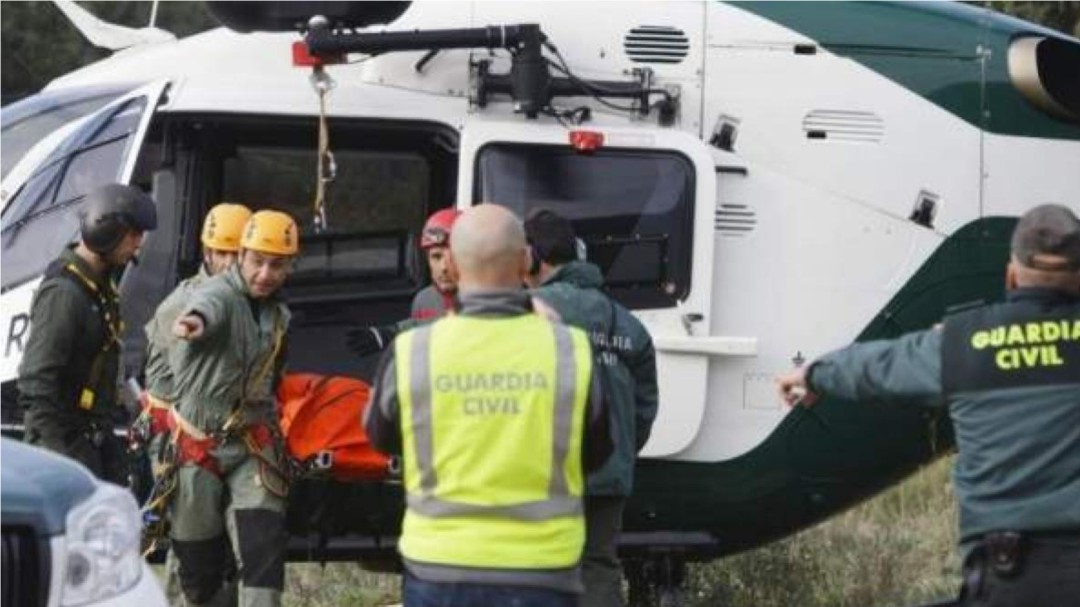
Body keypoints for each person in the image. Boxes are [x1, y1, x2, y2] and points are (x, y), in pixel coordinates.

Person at [776, 203, 1080, 607]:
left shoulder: (962, 342)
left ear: (1010, 274)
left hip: (1010, 574)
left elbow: (878, 365)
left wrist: (814, 374)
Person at [365, 203, 614, 607]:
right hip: (542, 569)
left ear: (456, 265)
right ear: (526, 259)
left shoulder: (414, 351)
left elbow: (381, 438)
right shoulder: (570, 350)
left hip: (439, 566)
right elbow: (598, 452)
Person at [523, 209, 658, 607]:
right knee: (599, 567)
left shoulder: (523, 311)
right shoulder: (628, 324)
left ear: (531, 256)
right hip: (607, 476)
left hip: (541, 475)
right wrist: (619, 453)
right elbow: (644, 408)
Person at [166, 209, 298, 607]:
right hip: (196, 444)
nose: (265, 273)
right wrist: (192, 324)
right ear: (241, 255)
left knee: (263, 556)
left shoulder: (277, 315)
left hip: (252, 444)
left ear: (290, 266)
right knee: (197, 570)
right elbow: (207, 308)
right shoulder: (217, 293)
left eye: (277, 265)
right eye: (257, 261)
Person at [141, 202, 252, 606]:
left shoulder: (249, 304)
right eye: (224, 253)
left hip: (230, 445)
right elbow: (164, 392)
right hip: (186, 446)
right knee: (192, 563)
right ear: (208, 252)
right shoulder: (184, 304)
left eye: (239, 254)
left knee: (229, 561)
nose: (231, 263)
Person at [18, 182, 157, 482]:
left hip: (93, 441)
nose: (139, 243)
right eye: (134, 233)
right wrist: (57, 462)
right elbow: (36, 384)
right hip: (64, 448)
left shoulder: (100, 287)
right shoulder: (66, 294)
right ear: (107, 229)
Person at [345, 208, 462, 358]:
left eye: (453, 257)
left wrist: (393, 333)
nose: (444, 267)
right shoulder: (424, 300)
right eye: (436, 257)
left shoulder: (490, 297)